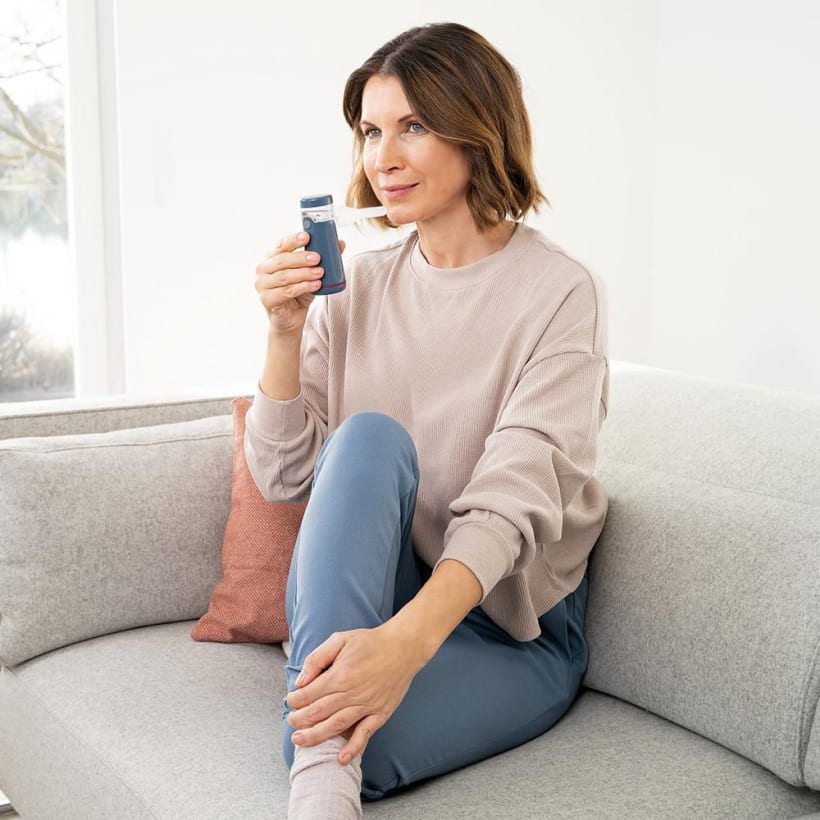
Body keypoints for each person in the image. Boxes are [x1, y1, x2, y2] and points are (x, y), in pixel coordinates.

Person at [245, 21, 609, 820]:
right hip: (384, 592)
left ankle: (321, 751)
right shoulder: (357, 290)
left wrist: (402, 651)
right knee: (367, 438)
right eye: (371, 131)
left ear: (479, 129)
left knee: (333, 743)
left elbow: (511, 500)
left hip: (507, 626)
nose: (383, 157)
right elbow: (284, 475)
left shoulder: (559, 293)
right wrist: (284, 332)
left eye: (413, 126)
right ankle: (324, 767)